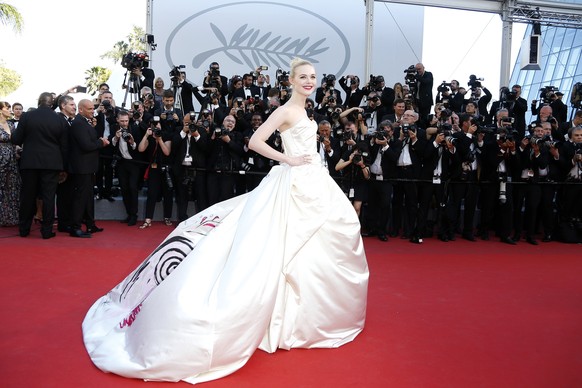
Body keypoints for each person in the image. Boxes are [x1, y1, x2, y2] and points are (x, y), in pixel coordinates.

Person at [82, 57, 369, 384]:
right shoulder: (287, 110)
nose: (309, 81)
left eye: (313, 76)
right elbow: (255, 141)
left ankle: (299, 317)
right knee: (278, 249)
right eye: (302, 77)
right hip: (293, 183)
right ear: (291, 81)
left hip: (314, 184)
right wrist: (287, 159)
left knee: (318, 245)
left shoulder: (305, 112)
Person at [12, 92, 68, 239]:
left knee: (27, 196)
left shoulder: (26, 116)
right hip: (52, 163)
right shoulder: (59, 119)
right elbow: (64, 146)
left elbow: (16, 138)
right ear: (52, 103)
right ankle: (47, 231)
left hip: (30, 162)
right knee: (49, 197)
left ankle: (24, 229)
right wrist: (63, 167)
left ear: (39, 102)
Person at [68, 100, 110, 238]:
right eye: (90, 109)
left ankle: (90, 225)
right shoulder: (78, 124)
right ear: (81, 110)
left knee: (88, 197)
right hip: (82, 167)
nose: (93, 111)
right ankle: (76, 227)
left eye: (93, 108)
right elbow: (86, 145)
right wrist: (101, 142)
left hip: (88, 166)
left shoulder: (85, 122)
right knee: (81, 198)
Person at [0, 101, 21, 226]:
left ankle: (11, 217)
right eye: (7, 108)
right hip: (1, 158)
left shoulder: (10, 124)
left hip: (12, 159)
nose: (10, 110)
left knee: (12, 187)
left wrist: (18, 149)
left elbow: (15, 141)